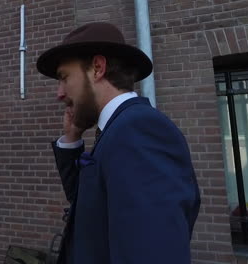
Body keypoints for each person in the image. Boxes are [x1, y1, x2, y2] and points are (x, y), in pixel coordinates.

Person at [36, 22, 201, 264]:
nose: (59, 93)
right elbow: (89, 207)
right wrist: (72, 140)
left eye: (64, 78)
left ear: (97, 68)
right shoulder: (117, 128)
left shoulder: (140, 130)